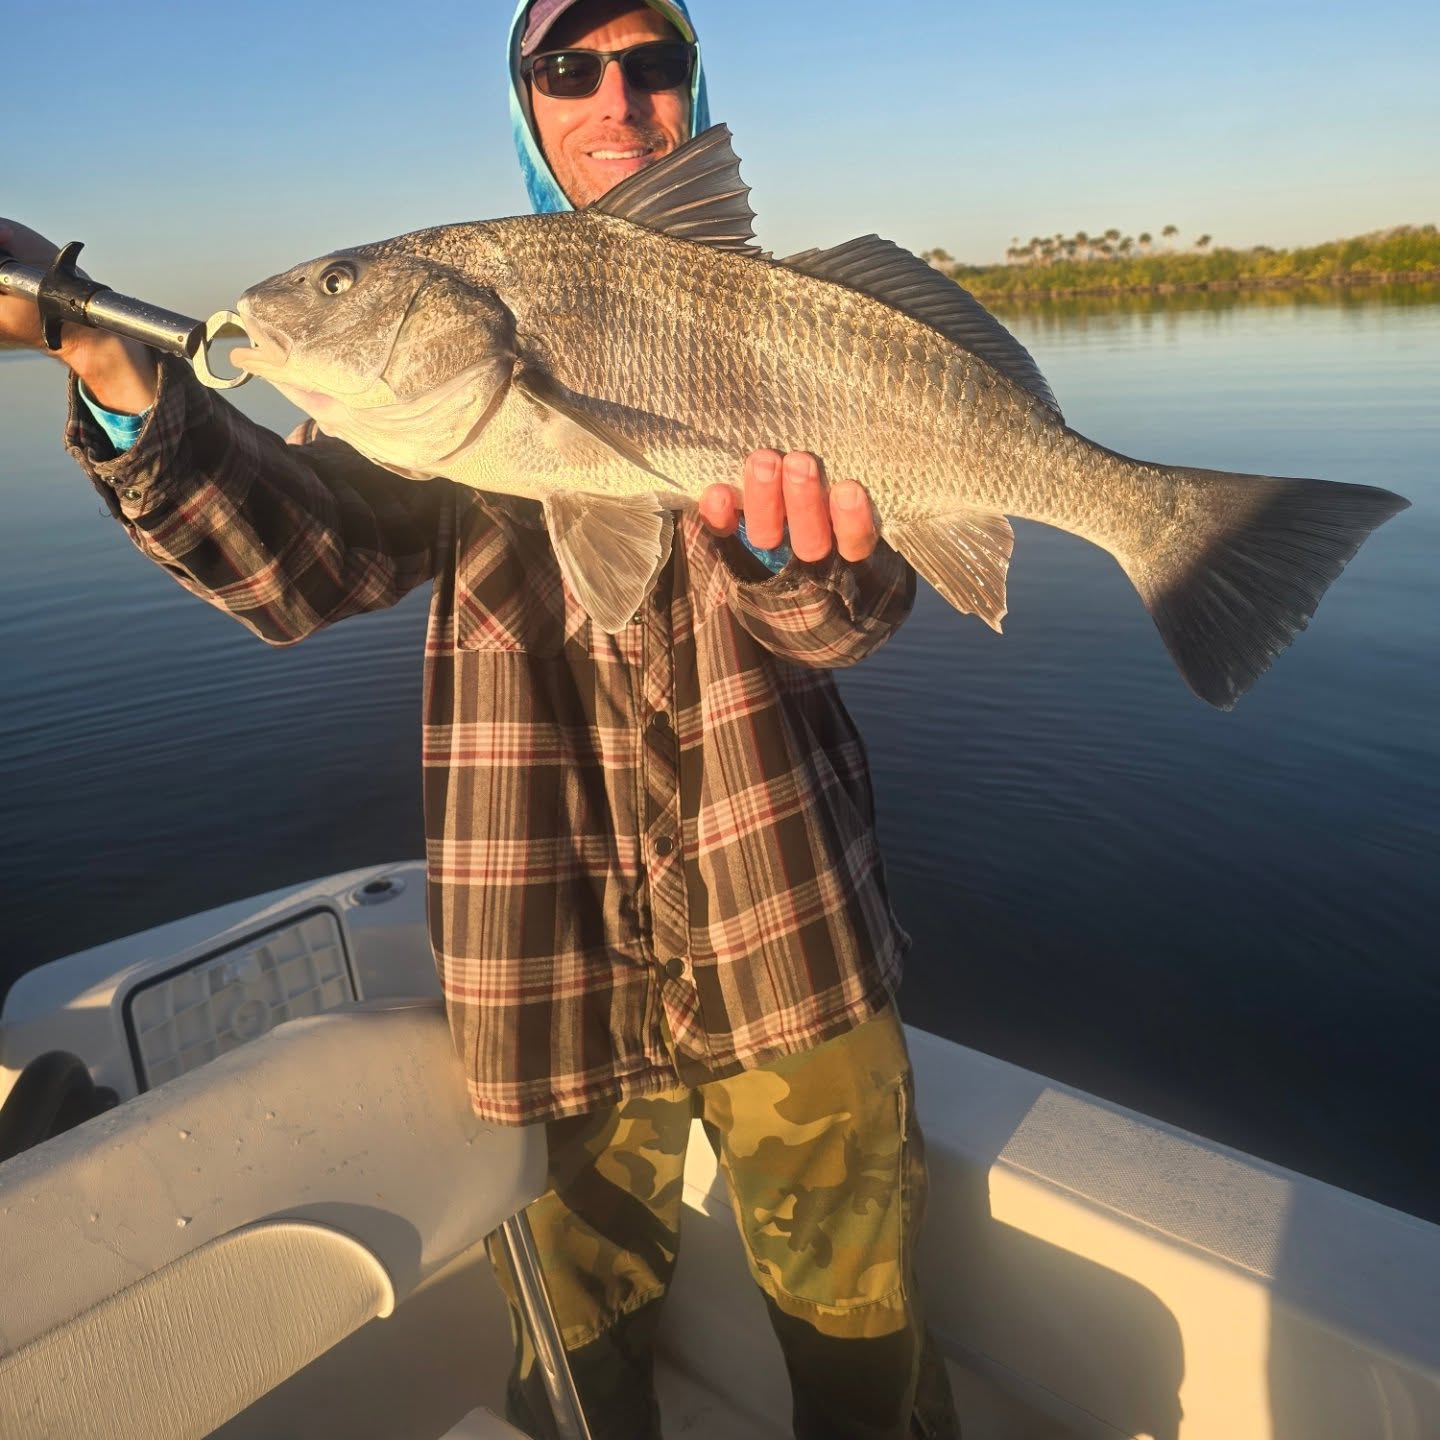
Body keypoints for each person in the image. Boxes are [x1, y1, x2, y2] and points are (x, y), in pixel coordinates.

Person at [0, 1, 961, 1435]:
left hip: (791, 942)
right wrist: (113, 369)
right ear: (525, 102)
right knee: (582, 1360)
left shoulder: (778, 324)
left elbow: (851, 620)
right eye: (570, 68)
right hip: (550, 974)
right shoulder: (435, 374)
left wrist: (789, 556)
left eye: (655, 63)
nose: (619, 97)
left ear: (694, 92)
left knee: (862, 1350)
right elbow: (301, 560)